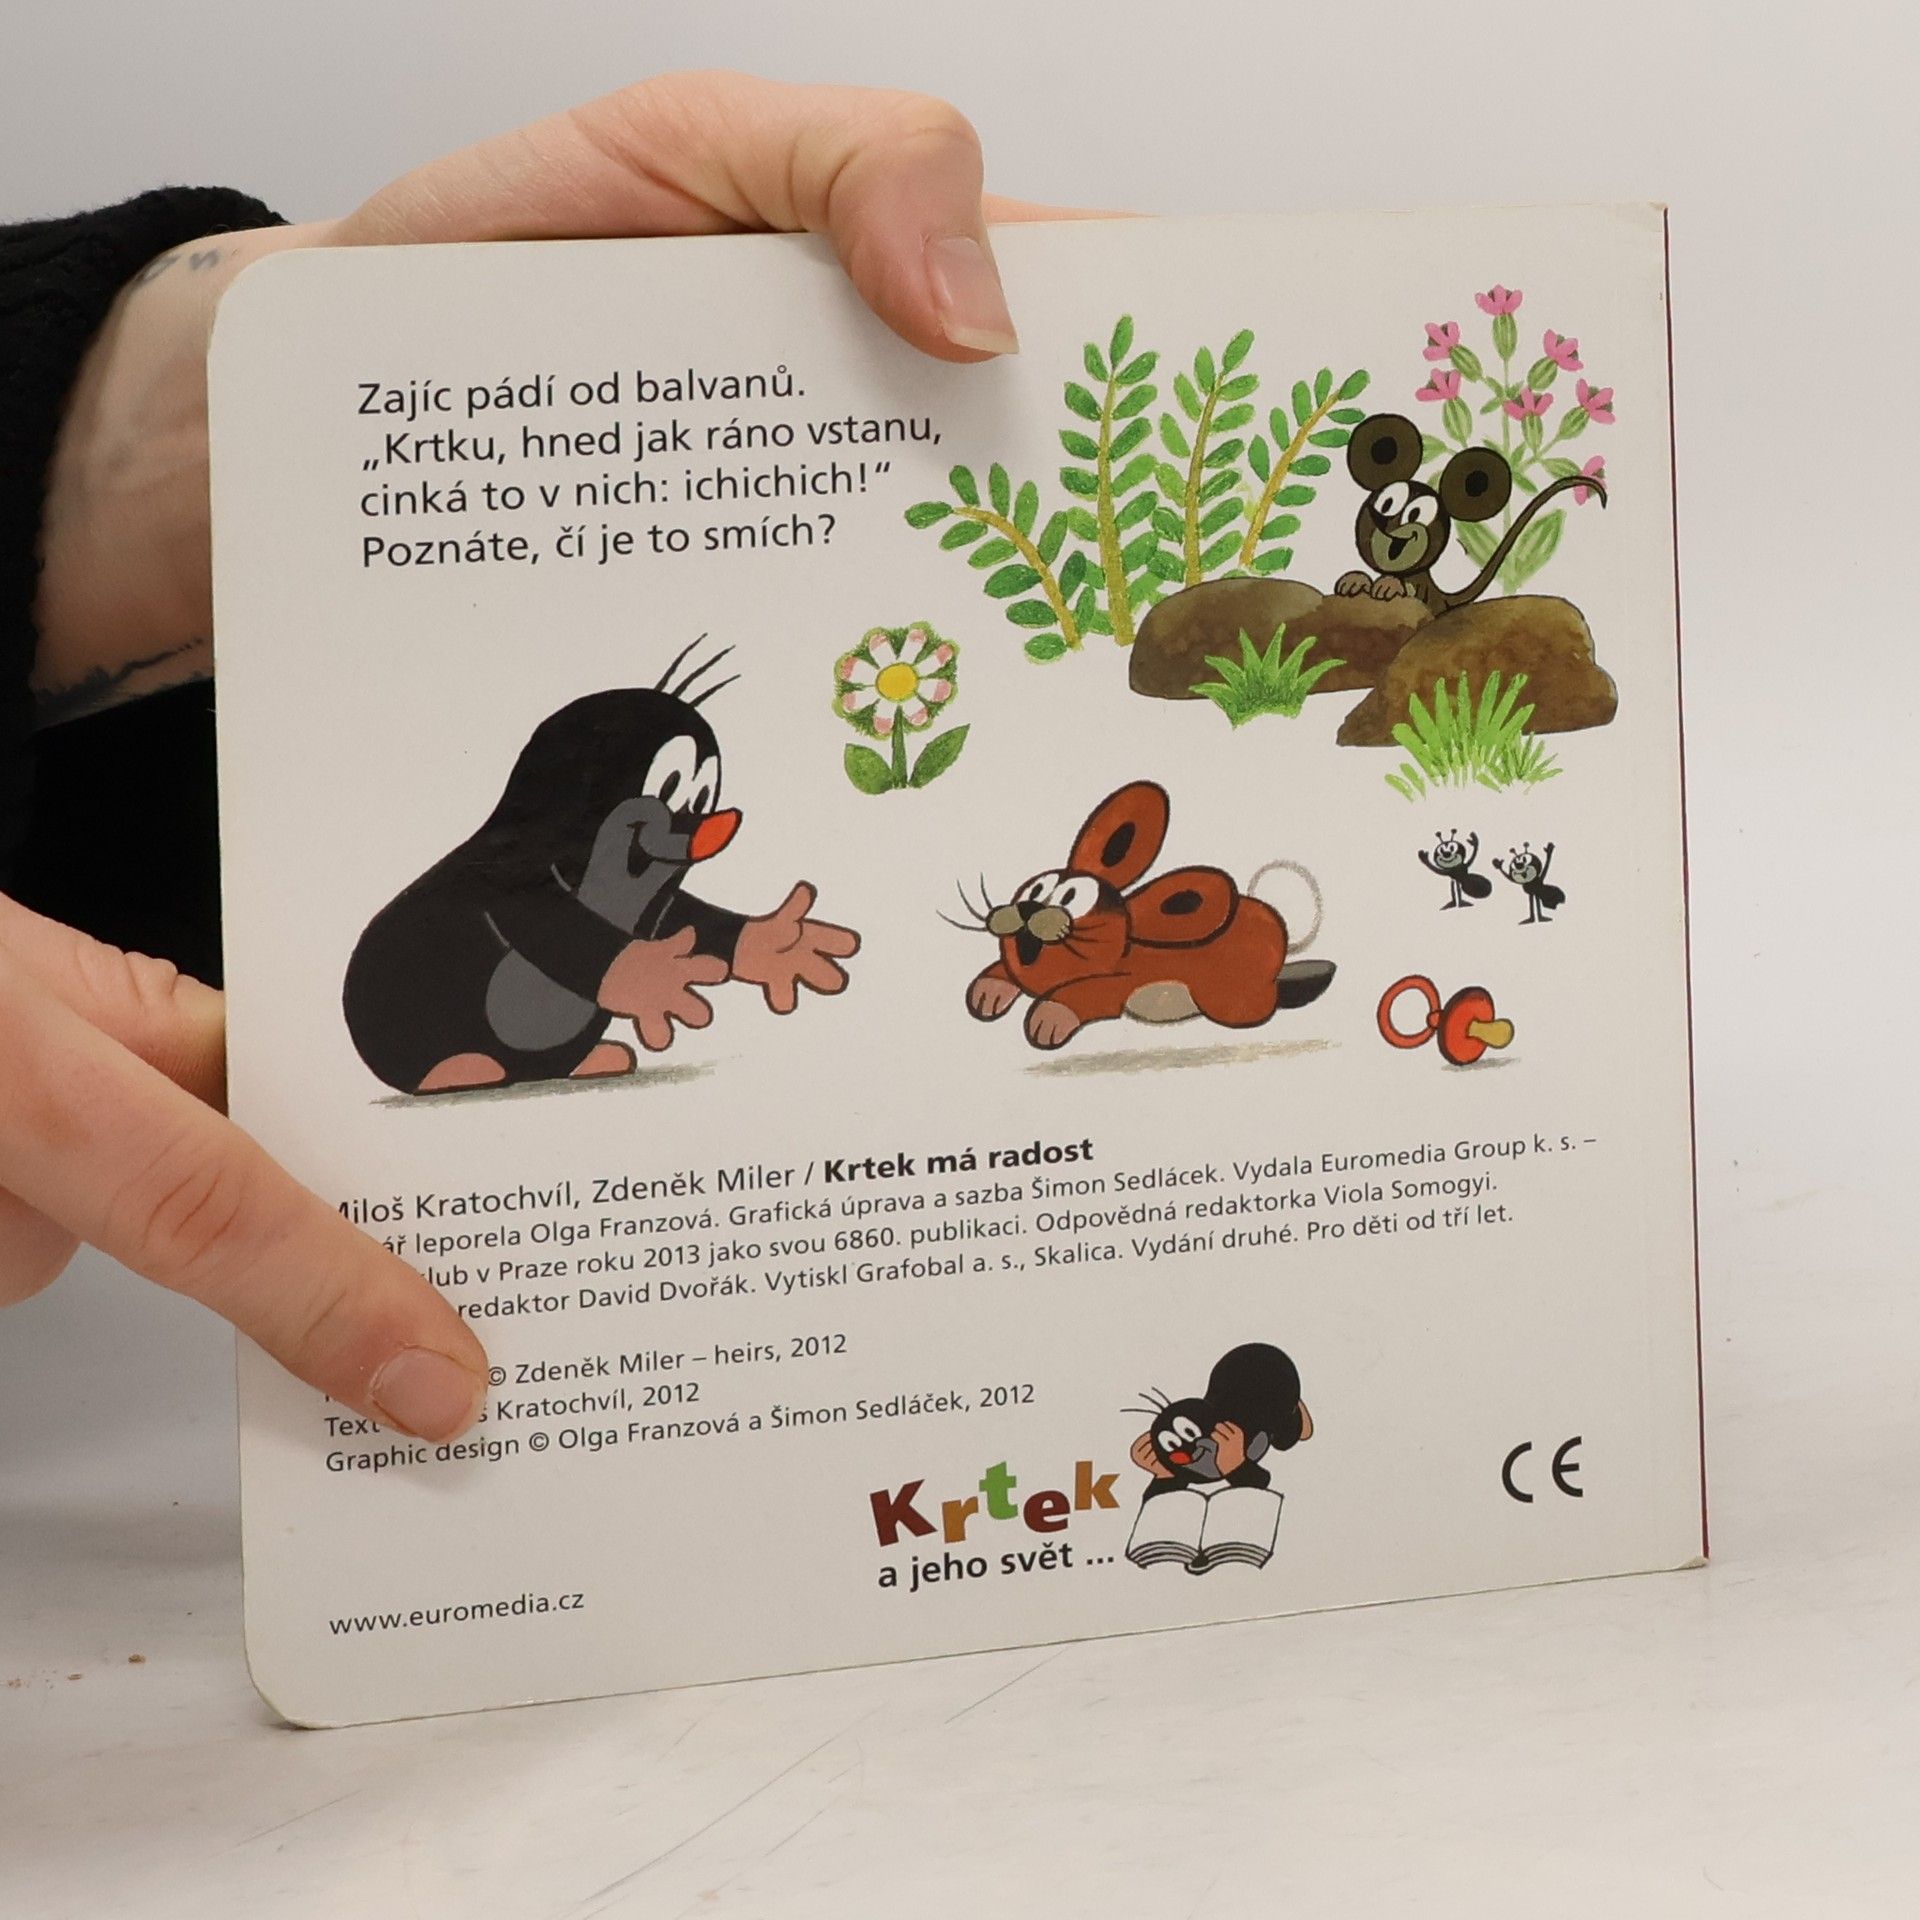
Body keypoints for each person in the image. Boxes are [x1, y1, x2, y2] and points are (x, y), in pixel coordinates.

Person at [0, 70, 1046, 1446]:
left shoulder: (630, 868)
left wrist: (205, 426)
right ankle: (465, 1064)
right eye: (668, 800)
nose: (688, 831)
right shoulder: (518, 880)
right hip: (422, 1038)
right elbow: (563, 940)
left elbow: (658, 926)